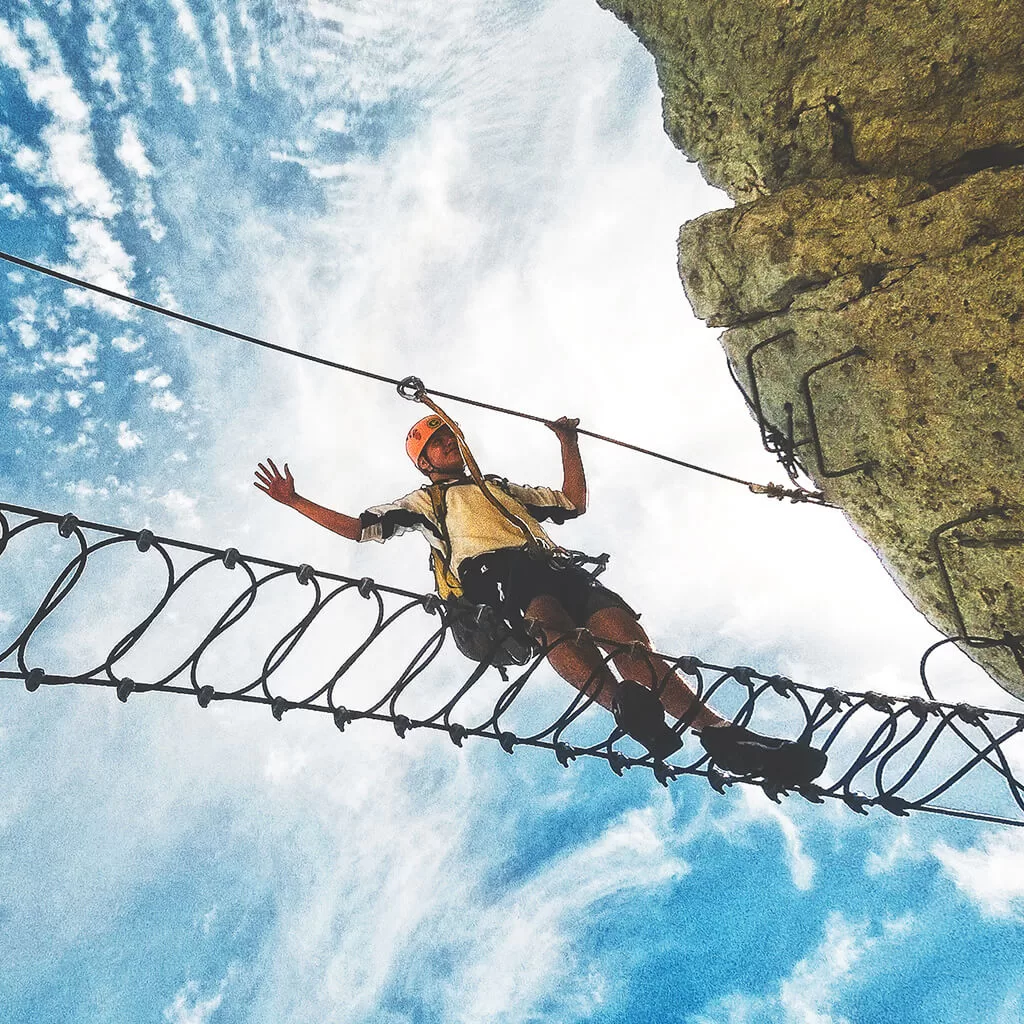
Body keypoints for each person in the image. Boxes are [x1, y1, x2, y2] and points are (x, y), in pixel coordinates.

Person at [254, 415, 826, 785]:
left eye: (449, 436)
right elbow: (361, 528)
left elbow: (571, 502)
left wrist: (568, 443)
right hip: (492, 573)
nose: (450, 445)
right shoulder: (426, 501)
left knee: (627, 637)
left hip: (553, 563)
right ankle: (625, 706)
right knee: (551, 625)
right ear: (426, 463)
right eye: (437, 445)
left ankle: (717, 731)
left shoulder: (501, 488)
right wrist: (295, 500)